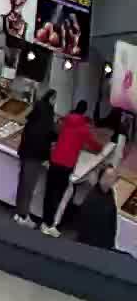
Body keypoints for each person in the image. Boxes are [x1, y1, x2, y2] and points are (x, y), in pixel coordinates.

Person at [42, 100, 107, 236]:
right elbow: (94, 145)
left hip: (55, 160)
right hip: (67, 165)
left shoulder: (64, 122)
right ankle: (53, 225)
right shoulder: (83, 128)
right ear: (85, 112)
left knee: (49, 192)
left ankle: (44, 222)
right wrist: (102, 148)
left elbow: (56, 132)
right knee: (61, 195)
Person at [13, 93, 58, 227]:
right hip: (35, 156)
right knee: (29, 186)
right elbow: (45, 138)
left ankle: (19, 212)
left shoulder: (35, 115)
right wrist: (48, 156)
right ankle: (23, 215)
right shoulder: (46, 118)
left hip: (25, 153)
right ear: (51, 99)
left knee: (22, 184)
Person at [74, 162, 122, 251]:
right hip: (92, 244)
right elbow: (86, 225)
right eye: (111, 177)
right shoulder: (93, 198)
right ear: (103, 178)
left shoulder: (109, 193)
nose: (114, 179)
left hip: (104, 242)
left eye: (114, 176)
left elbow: (111, 219)